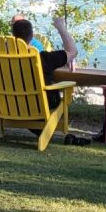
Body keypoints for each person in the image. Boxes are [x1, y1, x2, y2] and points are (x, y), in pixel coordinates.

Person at [10, 15, 88, 145]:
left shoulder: (3, 59)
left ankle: (39, 129)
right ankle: (44, 130)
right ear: (32, 35)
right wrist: (61, 27)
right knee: (53, 96)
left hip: (13, 105)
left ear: (13, 35)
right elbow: (73, 51)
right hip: (42, 105)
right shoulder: (43, 58)